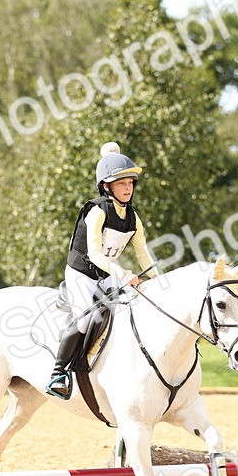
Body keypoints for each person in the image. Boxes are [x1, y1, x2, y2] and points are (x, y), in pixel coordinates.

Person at [46, 142, 156, 399]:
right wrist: (124, 275)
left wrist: (158, 282)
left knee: (134, 306)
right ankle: (58, 374)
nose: (128, 188)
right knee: (86, 318)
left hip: (106, 275)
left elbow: (142, 253)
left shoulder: (133, 217)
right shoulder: (96, 211)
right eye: (121, 183)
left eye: (130, 182)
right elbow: (95, 255)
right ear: (107, 186)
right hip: (81, 274)